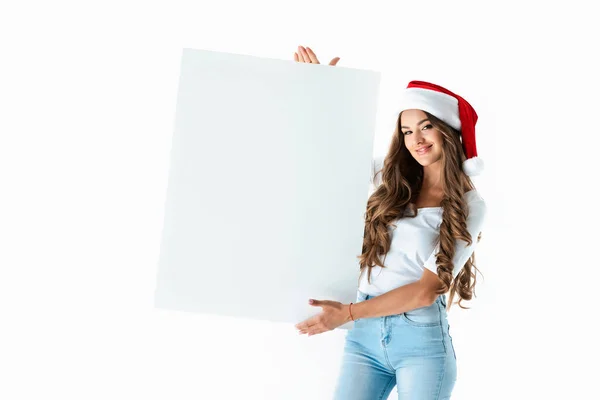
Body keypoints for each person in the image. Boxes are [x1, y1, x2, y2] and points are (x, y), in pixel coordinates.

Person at [293, 45, 487, 399]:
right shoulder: (390, 175)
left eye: (426, 126)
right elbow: (328, 153)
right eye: (408, 130)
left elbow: (427, 289)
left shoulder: (470, 205)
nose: (417, 139)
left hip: (421, 342)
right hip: (364, 337)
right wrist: (320, 92)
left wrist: (348, 313)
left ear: (448, 130)